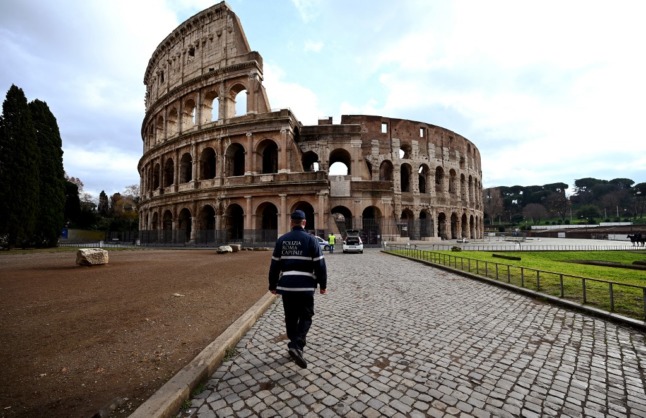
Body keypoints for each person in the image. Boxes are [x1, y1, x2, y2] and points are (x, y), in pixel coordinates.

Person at [268, 210, 327, 369]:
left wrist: (272, 285)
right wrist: (323, 285)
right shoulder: (311, 240)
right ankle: (297, 345)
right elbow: (320, 265)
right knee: (306, 316)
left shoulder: (282, 240)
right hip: (306, 285)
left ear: (291, 222)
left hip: (287, 285)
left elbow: (274, 265)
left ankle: (294, 344)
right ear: (304, 223)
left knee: (290, 316)